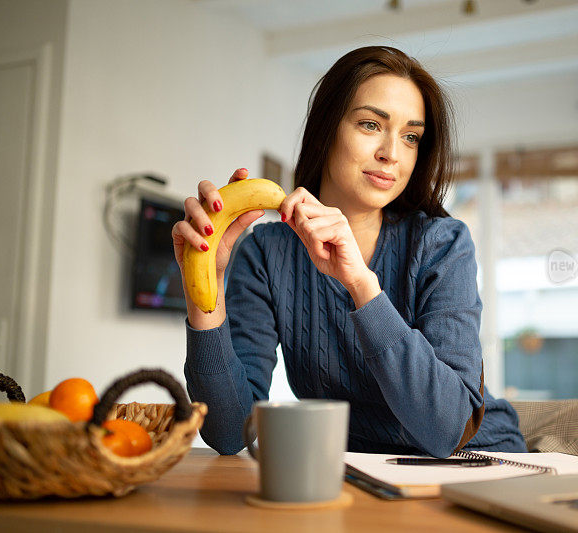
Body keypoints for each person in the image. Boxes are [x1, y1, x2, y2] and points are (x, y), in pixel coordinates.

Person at [172, 46, 527, 457]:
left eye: (411, 136)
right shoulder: (267, 254)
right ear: (326, 130)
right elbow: (231, 432)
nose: (392, 153)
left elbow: (447, 428)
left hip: (478, 463)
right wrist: (206, 296)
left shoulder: (443, 245)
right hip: (360, 475)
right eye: (370, 124)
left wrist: (362, 285)